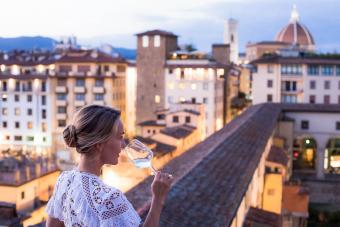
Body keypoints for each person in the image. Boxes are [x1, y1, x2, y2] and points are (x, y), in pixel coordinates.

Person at [46, 105, 173, 227]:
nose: (123, 145)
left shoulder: (64, 181)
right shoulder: (109, 199)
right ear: (99, 144)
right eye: (120, 137)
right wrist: (158, 198)